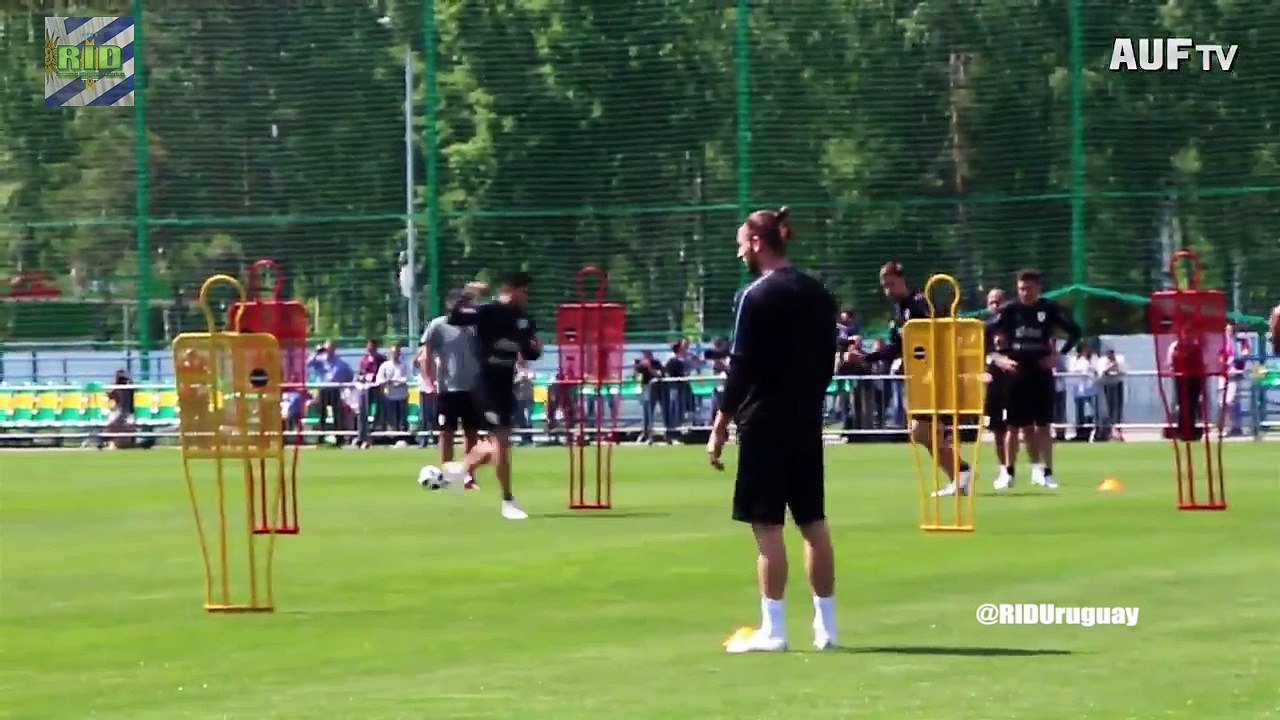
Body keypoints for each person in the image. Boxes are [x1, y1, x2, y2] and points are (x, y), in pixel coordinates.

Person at [707, 207, 840, 653]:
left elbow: (740, 366)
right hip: (805, 419)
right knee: (813, 522)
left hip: (764, 421)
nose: (739, 249)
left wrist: (720, 423)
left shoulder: (755, 295)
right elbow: (827, 360)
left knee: (767, 526)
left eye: (742, 241)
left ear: (759, 243)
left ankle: (775, 630)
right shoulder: (819, 293)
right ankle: (827, 630)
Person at [852, 261, 974, 497]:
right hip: (921, 378)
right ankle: (960, 474)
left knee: (924, 431)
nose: (888, 290)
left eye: (891, 284)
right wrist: (868, 357)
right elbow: (898, 346)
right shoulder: (899, 310)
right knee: (923, 433)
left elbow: (934, 338)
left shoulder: (917, 304)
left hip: (934, 376)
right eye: (884, 286)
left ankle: (961, 473)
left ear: (902, 279)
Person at [438, 273, 543, 520]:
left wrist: (535, 348)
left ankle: (456, 470)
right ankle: (508, 501)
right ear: (510, 289)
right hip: (485, 384)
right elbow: (455, 317)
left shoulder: (524, 319)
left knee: (498, 444)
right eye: (523, 291)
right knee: (503, 443)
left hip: (507, 386)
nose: (526, 296)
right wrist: (470, 292)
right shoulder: (488, 312)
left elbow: (529, 351)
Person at [987, 268, 1082, 490]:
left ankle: (1045, 472)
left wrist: (1058, 355)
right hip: (1016, 373)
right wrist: (997, 357)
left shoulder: (1049, 309)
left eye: (1029, 288)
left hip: (1040, 372)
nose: (1025, 293)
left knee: (1043, 425)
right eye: (1021, 288)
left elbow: (1075, 331)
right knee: (1012, 426)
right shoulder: (1010, 310)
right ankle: (1008, 473)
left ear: (1038, 288)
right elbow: (985, 333)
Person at [420, 288, 483, 489]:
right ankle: (447, 476)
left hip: (472, 388)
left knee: (471, 434)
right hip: (448, 389)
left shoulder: (475, 326)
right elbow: (426, 356)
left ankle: (468, 476)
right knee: (446, 433)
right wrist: (429, 381)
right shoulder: (438, 326)